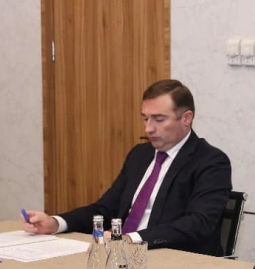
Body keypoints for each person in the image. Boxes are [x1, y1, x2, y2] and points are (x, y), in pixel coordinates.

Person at [23, 79, 232, 256]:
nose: (148, 128)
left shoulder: (211, 161)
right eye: (145, 118)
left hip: (174, 259)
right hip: (122, 256)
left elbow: (198, 223)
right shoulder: (140, 155)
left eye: (159, 119)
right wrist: (57, 223)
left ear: (186, 118)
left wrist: (131, 239)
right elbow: (106, 209)